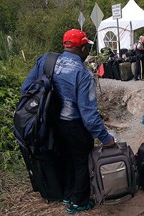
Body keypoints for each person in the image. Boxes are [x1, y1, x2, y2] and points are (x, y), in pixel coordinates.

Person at [21, 29, 115, 214]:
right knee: (80, 160)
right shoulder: (83, 73)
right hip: (73, 125)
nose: (87, 51)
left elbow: (26, 88)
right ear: (81, 49)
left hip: (49, 122)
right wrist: (106, 138)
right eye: (86, 48)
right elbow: (88, 116)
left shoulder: (45, 60)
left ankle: (67, 193)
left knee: (63, 157)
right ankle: (78, 202)